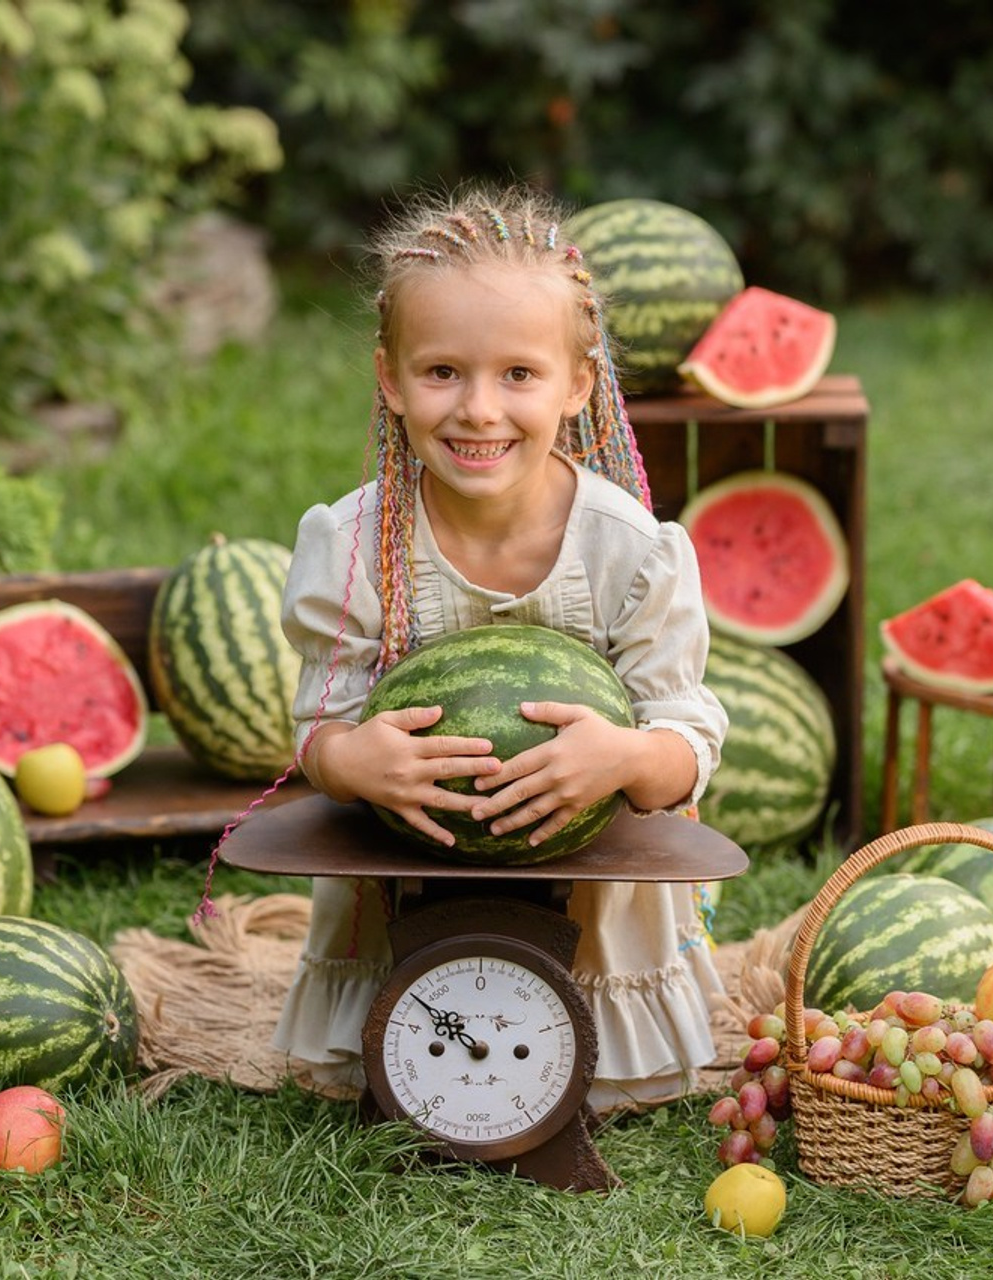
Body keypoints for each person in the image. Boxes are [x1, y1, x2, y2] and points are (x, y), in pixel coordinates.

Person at [271, 184, 729, 1115]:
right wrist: (356, 760)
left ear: (578, 384)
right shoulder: (354, 544)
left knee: (606, 1080)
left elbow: (688, 730)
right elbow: (319, 722)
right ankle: (405, 1037)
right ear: (390, 380)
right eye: (443, 372)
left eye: (519, 374)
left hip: (593, 897)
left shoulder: (631, 552)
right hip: (407, 874)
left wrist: (628, 753)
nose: (479, 409)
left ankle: (583, 1045)